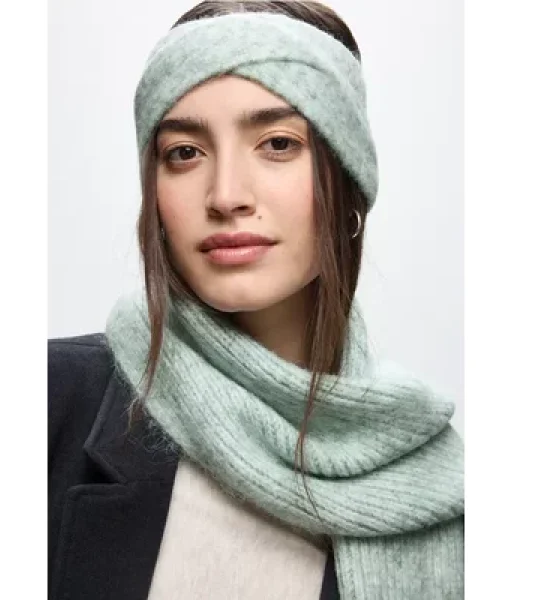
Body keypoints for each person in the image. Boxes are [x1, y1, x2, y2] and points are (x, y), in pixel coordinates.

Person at [48, 1, 464, 599]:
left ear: (348, 177)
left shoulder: (438, 488)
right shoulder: (48, 403)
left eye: (277, 143)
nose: (225, 195)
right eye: (184, 152)